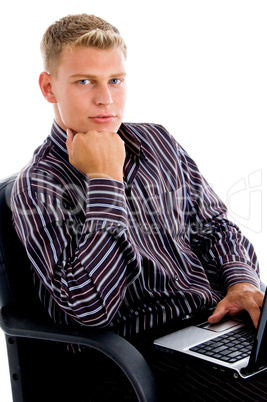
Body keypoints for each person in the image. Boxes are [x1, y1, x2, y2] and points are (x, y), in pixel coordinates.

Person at [11, 13, 267, 401]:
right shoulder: (38, 187)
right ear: (49, 87)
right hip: (131, 356)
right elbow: (91, 309)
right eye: (85, 82)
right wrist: (105, 180)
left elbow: (215, 226)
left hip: (212, 323)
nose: (106, 98)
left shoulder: (158, 142)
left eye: (115, 80)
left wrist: (241, 282)